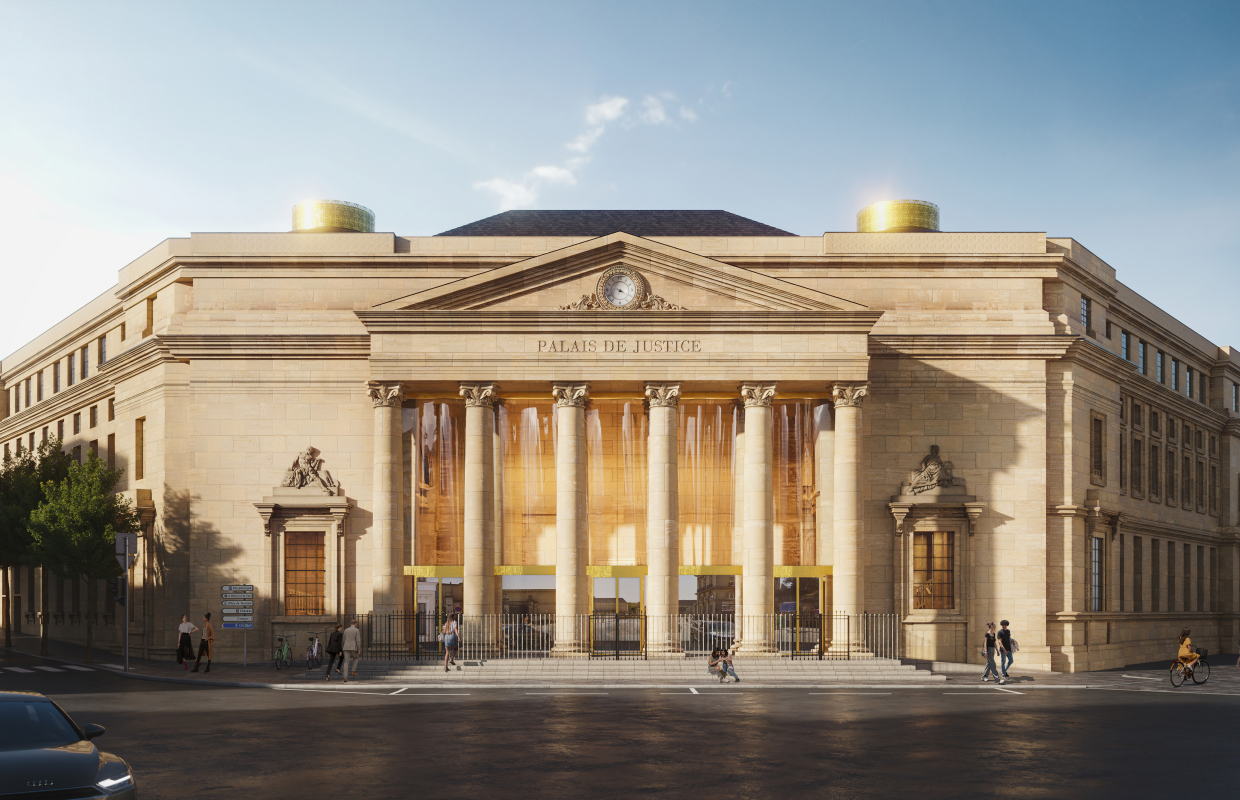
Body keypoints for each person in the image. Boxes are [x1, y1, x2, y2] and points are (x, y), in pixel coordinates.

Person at [341, 619, 362, 683]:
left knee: (346, 662)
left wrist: (343, 647)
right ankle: (353, 671)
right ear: (355, 624)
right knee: (356, 658)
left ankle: (345, 677)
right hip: (353, 647)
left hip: (346, 647)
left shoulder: (346, 630)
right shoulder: (356, 630)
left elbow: (343, 640)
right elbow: (358, 641)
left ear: (350, 624)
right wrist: (359, 649)